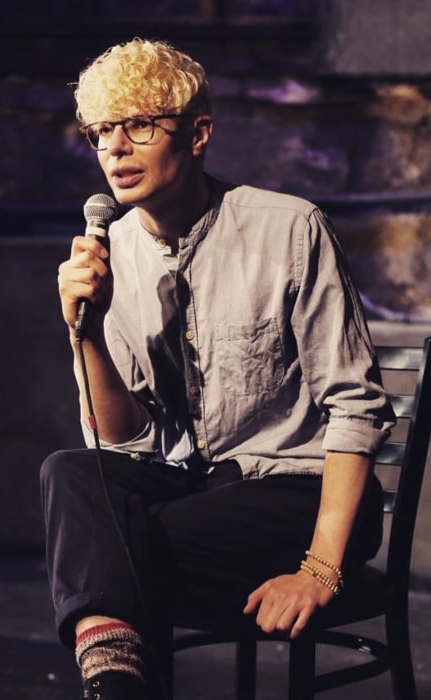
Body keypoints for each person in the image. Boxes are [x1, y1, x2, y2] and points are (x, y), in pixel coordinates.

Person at [40, 37, 395, 700]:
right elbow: (125, 441)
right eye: (99, 132)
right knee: (69, 471)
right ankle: (119, 680)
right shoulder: (111, 249)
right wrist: (84, 333)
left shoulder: (289, 229)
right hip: (196, 492)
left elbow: (356, 407)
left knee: (116, 548)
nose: (114, 148)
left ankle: (115, 683)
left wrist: (320, 570)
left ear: (198, 133)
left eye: (139, 125)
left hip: (297, 493)